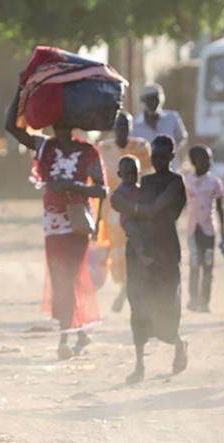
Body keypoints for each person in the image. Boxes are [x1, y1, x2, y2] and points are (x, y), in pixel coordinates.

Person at [5, 91, 107, 360]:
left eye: (63, 123)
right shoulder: (45, 147)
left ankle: (66, 335)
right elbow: (11, 128)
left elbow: (102, 190)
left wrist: (73, 186)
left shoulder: (87, 151)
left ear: (72, 124)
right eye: (55, 123)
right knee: (60, 277)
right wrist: (22, 89)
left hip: (77, 222)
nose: (58, 128)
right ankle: (78, 329)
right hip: (53, 223)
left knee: (69, 276)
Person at [111, 135, 189, 384]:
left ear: (172, 157)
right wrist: (129, 209)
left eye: (163, 157)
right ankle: (140, 365)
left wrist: (131, 208)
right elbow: (117, 201)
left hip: (166, 251)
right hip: (141, 251)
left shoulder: (176, 182)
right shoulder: (145, 181)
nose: (158, 161)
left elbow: (155, 208)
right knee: (139, 306)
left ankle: (178, 344)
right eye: (154, 156)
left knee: (166, 305)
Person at [96, 112, 152, 312]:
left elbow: (148, 178)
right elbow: (99, 183)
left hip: (135, 207)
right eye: (119, 125)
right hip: (112, 209)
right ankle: (125, 289)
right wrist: (96, 219)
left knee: (135, 249)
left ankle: (125, 294)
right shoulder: (104, 148)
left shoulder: (140, 147)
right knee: (118, 255)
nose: (122, 130)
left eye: (126, 126)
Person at [184, 145, 224, 313]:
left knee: (208, 266)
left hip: (209, 230)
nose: (209, 163)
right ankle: (193, 299)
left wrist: (223, 231)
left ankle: (205, 301)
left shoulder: (214, 183)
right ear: (195, 162)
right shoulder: (187, 182)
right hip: (192, 231)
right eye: (205, 159)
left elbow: (220, 208)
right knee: (195, 264)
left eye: (210, 159)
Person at [132, 83, 188, 170]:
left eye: (156, 99)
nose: (153, 103)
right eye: (149, 100)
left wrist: (168, 152)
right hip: (146, 171)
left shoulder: (172, 118)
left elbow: (181, 137)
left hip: (170, 170)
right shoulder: (135, 124)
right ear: (143, 100)